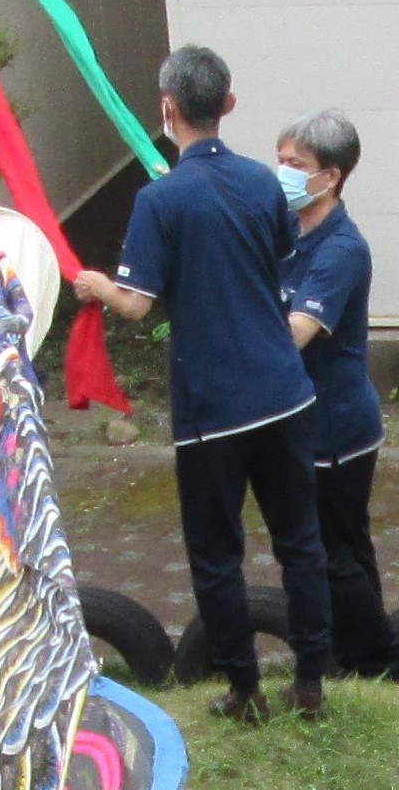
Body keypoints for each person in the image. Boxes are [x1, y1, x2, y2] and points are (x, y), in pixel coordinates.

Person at [73, 45, 331, 722]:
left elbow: (135, 302)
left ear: (166, 109)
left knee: (218, 555)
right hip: (285, 391)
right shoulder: (263, 184)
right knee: (300, 540)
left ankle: (244, 691)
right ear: (229, 105)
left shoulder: (159, 199)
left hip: (214, 409)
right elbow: (275, 259)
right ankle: (310, 681)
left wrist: (98, 285)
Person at [277, 110, 399, 684]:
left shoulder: (341, 250)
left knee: (330, 555)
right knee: (347, 551)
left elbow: (296, 333)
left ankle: (394, 664)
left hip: (334, 429)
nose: (282, 173)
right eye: (281, 160)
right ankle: (353, 662)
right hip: (312, 421)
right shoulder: (288, 232)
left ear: (330, 176)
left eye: (296, 166)